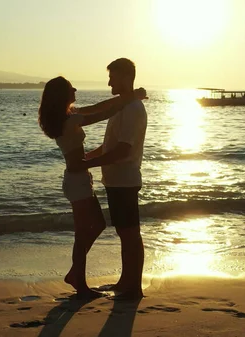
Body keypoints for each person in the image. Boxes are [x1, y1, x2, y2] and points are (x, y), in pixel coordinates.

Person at [38, 76, 146, 299]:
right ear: (63, 95)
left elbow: (98, 107)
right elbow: (102, 114)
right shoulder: (69, 121)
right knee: (82, 232)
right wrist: (130, 98)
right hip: (76, 180)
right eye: (71, 88)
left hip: (80, 178)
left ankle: (76, 272)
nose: (75, 89)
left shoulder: (68, 116)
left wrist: (126, 98)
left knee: (97, 224)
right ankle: (80, 282)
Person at [73, 58, 147, 299]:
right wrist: (86, 158)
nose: (109, 82)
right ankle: (126, 281)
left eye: (112, 77)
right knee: (125, 233)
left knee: (130, 234)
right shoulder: (122, 107)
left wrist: (90, 163)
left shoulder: (133, 109)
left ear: (126, 77)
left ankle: (133, 287)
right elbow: (109, 147)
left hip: (125, 179)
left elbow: (123, 150)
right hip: (116, 180)